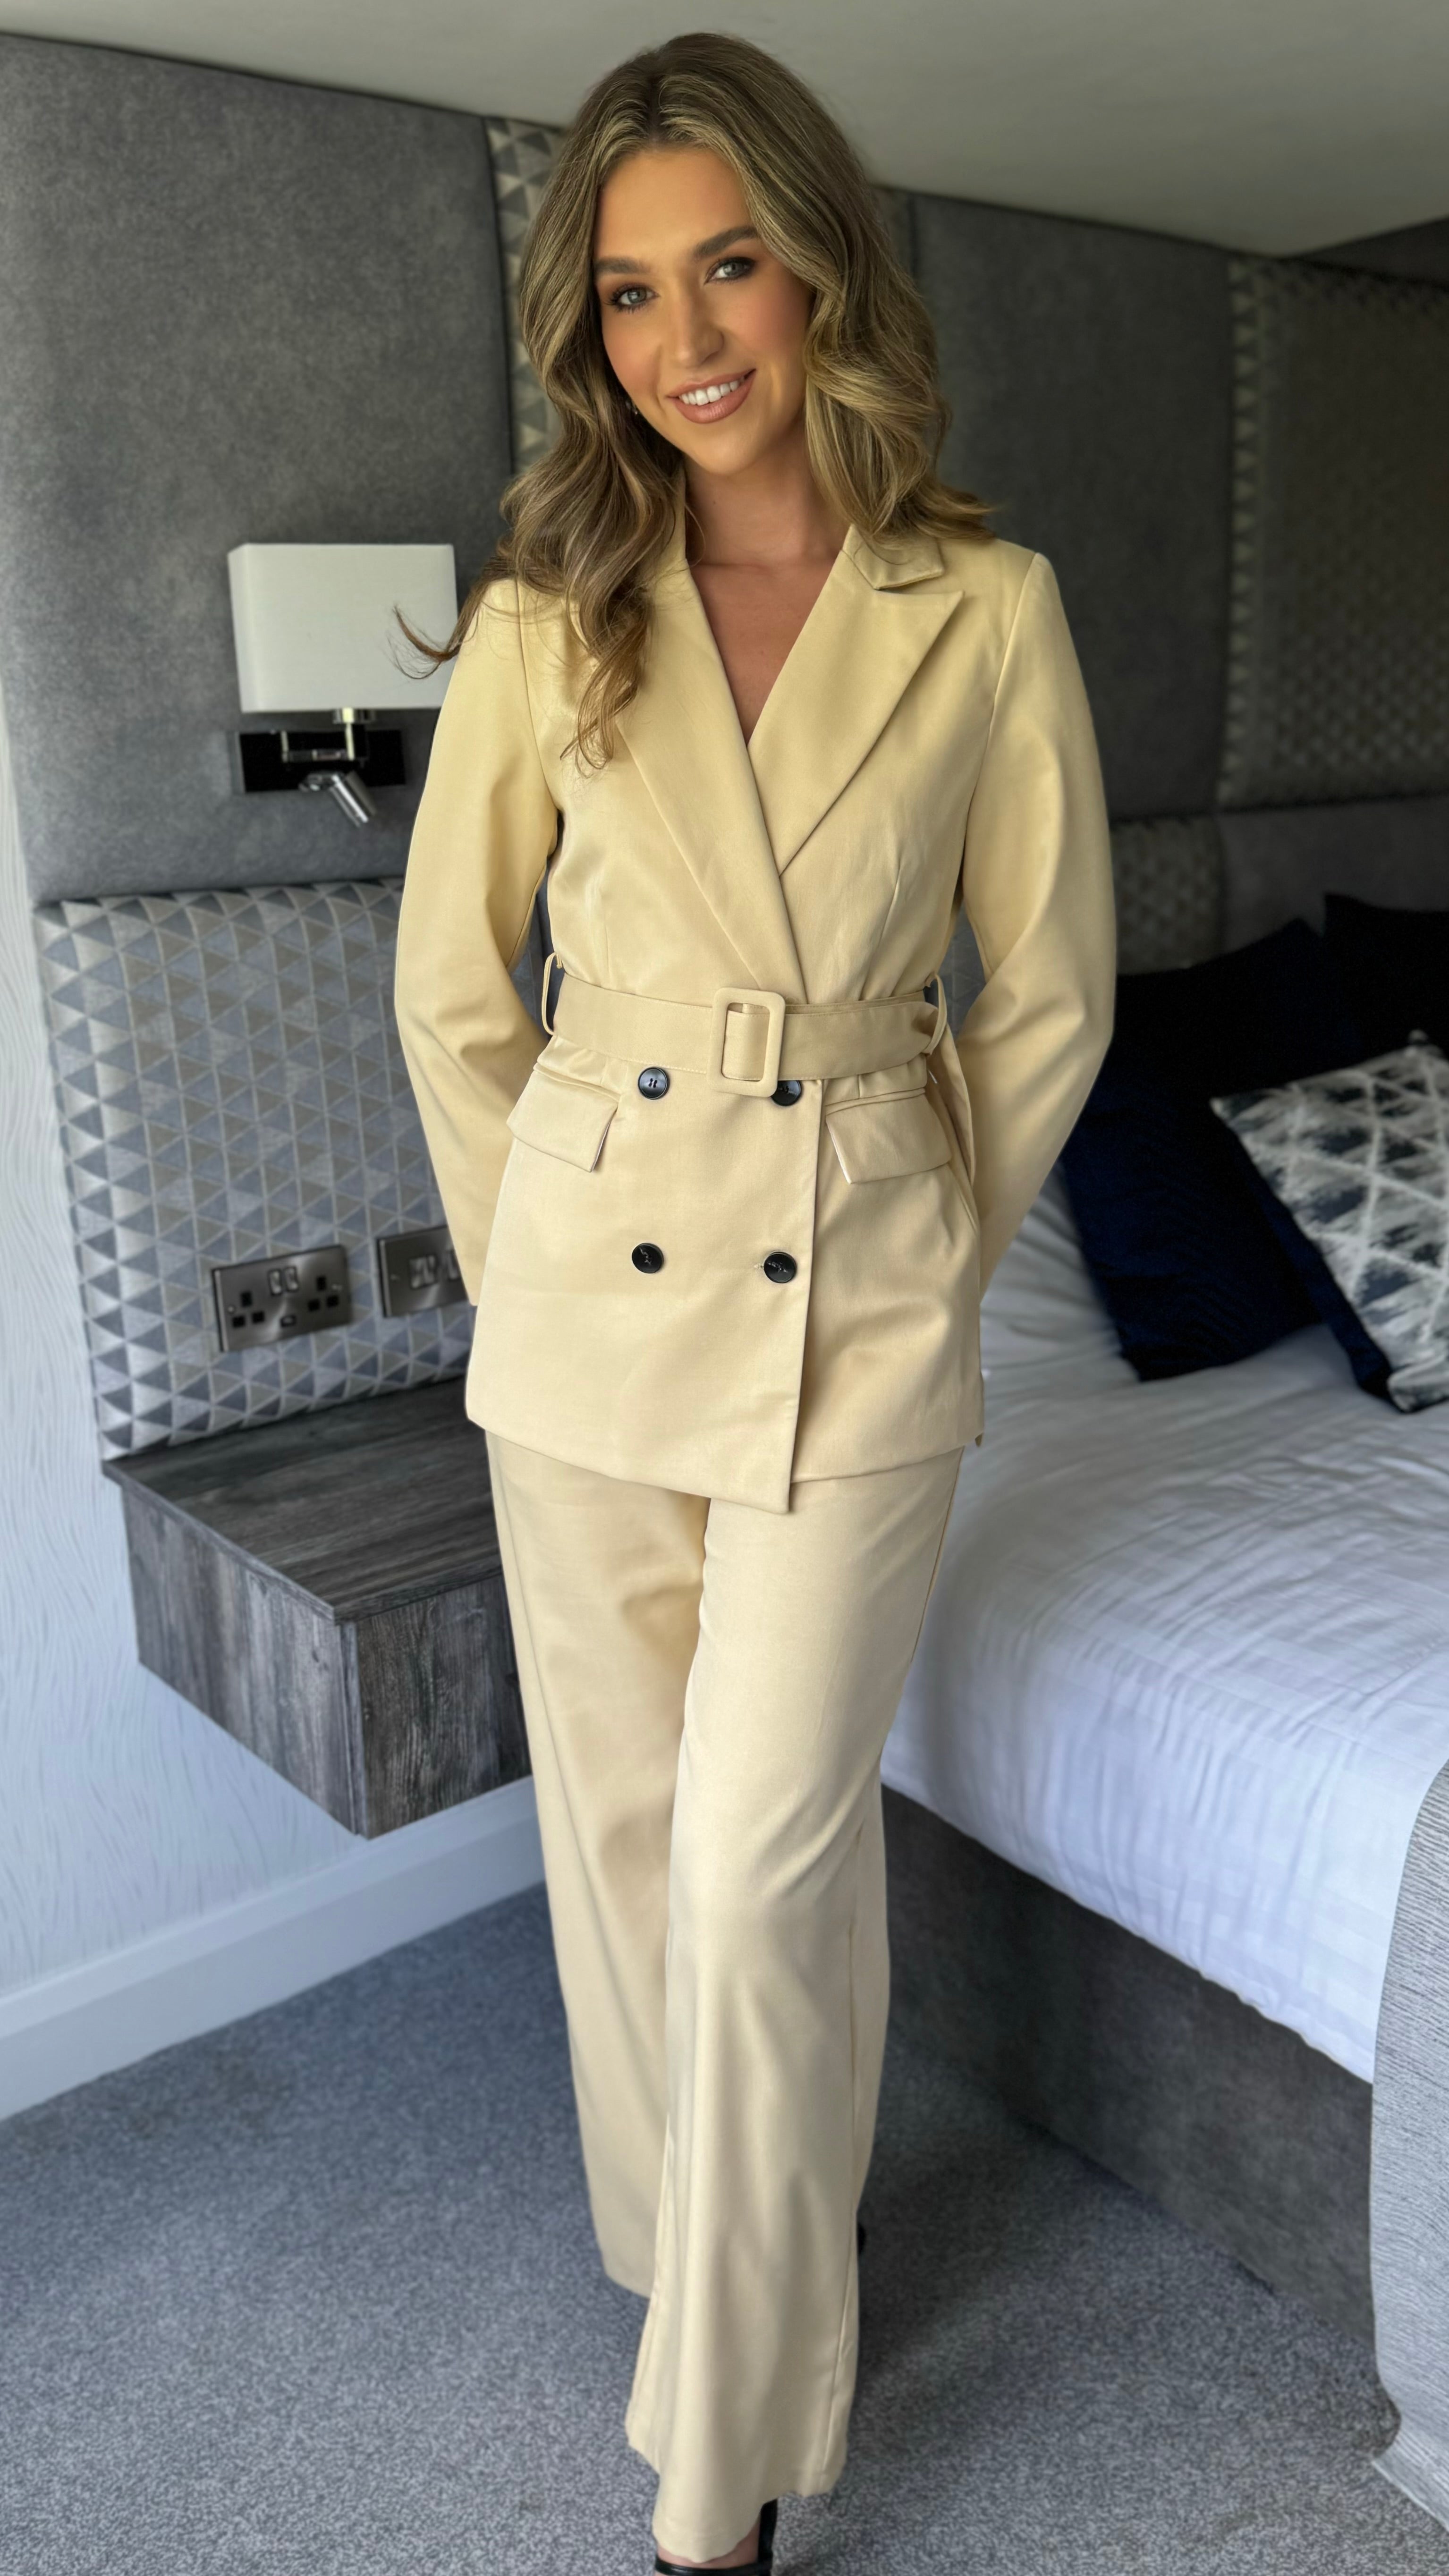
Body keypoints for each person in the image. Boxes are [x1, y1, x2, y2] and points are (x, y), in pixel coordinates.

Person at [395, 31, 1114, 2570]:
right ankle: (696, 2264)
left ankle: (717, 2488)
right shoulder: (545, 617)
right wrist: (539, 1261)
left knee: (759, 1867)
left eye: (729, 267)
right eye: (628, 293)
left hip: (858, 1308)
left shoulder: (984, 606)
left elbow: (1046, 993)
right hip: (587, 1307)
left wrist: (920, 1240)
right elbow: (454, 1000)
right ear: (583, 333)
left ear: (819, 270)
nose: (687, 337)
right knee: (622, 1853)